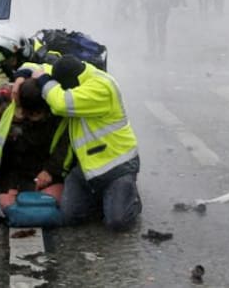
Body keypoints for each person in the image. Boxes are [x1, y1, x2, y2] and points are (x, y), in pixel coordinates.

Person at [16, 56, 140, 231]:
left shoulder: (102, 88)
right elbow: (36, 67)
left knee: (117, 222)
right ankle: (105, 197)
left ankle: (130, 198)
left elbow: (61, 103)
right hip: (86, 168)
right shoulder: (73, 73)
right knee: (70, 216)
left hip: (116, 166)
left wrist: (44, 80)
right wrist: (21, 77)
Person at [0, 77, 69, 220]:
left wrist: (49, 171)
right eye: (30, 114)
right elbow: (5, 160)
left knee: (52, 206)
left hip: (45, 171)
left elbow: (63, 147)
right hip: (14, 173)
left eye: (38, 113)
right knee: (10, 207)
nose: (34, 117)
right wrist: (11, 186)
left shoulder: (58, 112)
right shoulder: (7, 106)